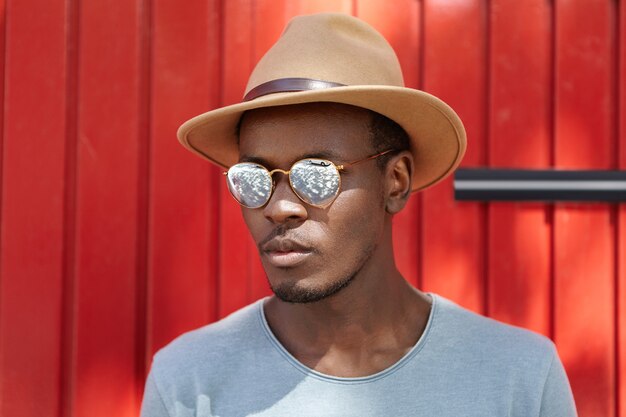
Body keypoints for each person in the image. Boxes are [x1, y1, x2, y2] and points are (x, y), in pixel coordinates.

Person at [140, 13, 577, 417]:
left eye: (316, 175)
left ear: (396, 182)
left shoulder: (518, 378)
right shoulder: (189, 382)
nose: (278, 206)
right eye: (253, 179)